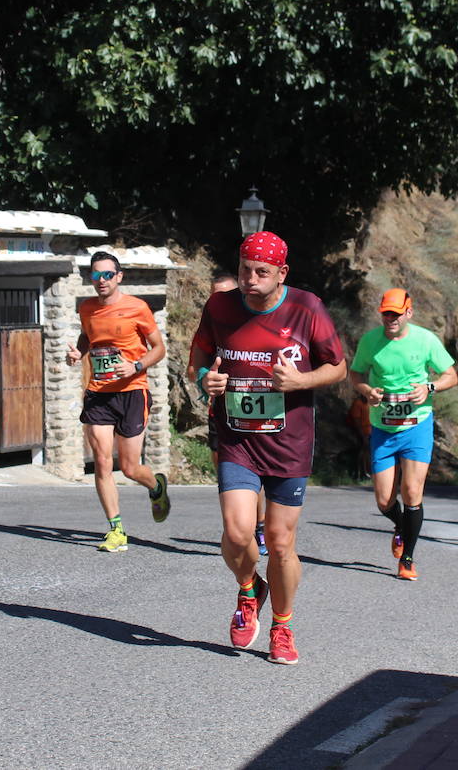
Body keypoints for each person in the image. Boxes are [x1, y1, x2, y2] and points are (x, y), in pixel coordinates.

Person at [192, 231, 346, 665]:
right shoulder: (219, 307)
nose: (250, 279)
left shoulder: (306, 307)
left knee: (279, 543)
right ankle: (248, 590)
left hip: (289, 444)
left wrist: (301, 381)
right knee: (238, 532)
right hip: (238, 438)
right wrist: (207, 379)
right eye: (245, 270)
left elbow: (338, 367)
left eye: (262, 272)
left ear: (282, 274)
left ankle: (282, 624)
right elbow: (197, 361)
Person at [349, 288, 457, 580]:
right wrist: (366, 391)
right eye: (386, 313)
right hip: (383, 428)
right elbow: (356, 374)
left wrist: (429, 387)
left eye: (396, 313)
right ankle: (401, 525)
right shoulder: (371, 341)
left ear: (409, 312)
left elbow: (451, 375)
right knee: (384, 501)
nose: (391, 318)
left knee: (412, 492)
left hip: (417, 426)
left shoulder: (425, 340)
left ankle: (407, 558)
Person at [65, 250, 170, 552]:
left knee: (130, 468)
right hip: (99, 393)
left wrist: (136, 366)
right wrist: (78, 353)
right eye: (96, 275)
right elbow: (88, 337)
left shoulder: (137, 308)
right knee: (101, 462)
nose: (101, 280)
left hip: (133, 391)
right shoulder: (86, 308)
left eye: (107, 275)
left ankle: (156, 486)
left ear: (119, 276)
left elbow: (158, 348)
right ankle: (116, 530)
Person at [207, 271, 268, 556]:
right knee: (227, 473)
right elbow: (196, 367)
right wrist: (205, 380)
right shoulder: (210, 324)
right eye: (214, 294)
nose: (219, 300)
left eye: (225, 294)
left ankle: (260, 526)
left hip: (263, 414)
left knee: (256, 471)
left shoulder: (259, 320)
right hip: (222, 414)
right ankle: (239, 529)